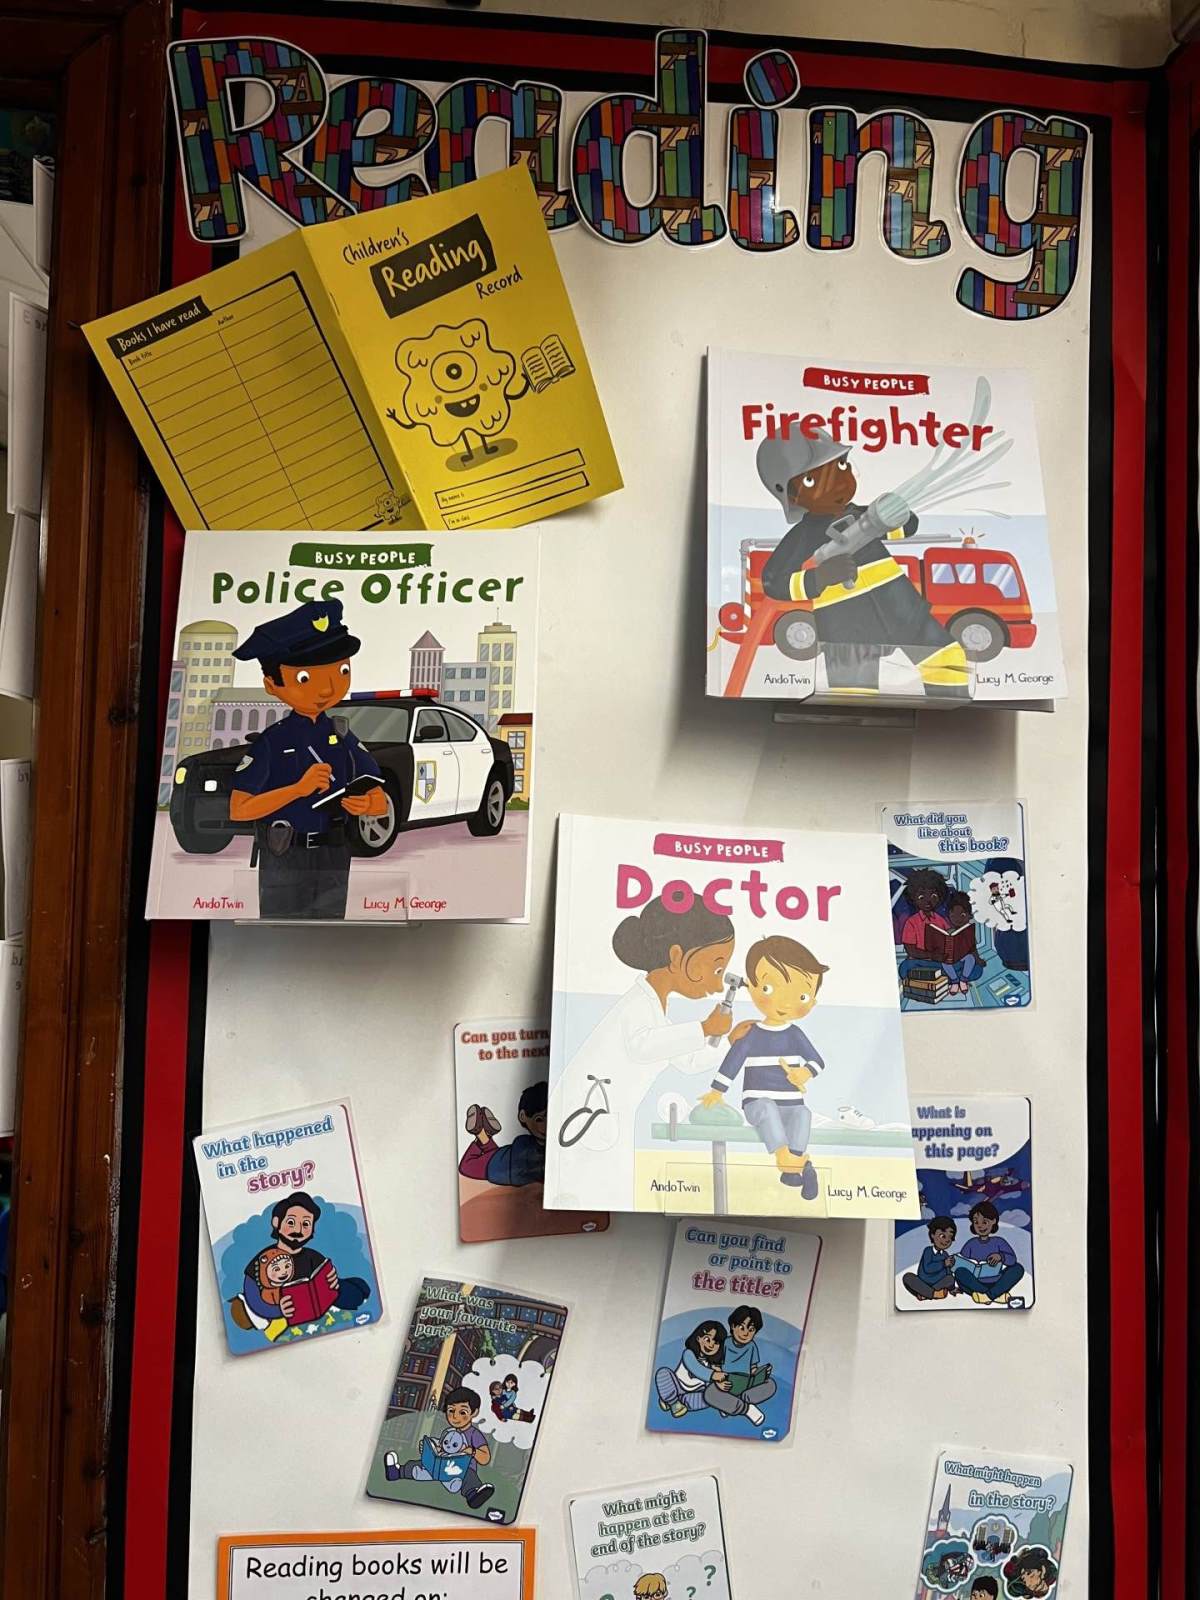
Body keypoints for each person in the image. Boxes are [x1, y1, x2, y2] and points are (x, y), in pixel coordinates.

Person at [550, 897, 736, 1210]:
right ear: (677, 957)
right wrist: (705, 1028)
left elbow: (688, 1061)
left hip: (605, 1123)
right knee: (587, 1194)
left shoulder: (655, 1009)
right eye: (717, 969)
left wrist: (733, 1042)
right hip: (587, 1123)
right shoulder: (637, 1006)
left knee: (608, 1194)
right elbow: (643, 1046)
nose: (719, 985)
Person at [756, 428, 969, 699]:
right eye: (812, 479)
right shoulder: (803, 536)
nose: (838, 483)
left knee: (948, 661)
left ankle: (952, 715)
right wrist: (819, 578)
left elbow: (906, 528)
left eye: (840, 466)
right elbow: (774, 581)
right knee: (853, 693)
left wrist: (899, 515)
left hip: (902, 608)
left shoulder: (863, 516)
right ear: (792, 496)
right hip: (848, 626)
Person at [227, 599, 388, 919]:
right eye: (305, 678)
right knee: (281, 931)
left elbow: (379, 796)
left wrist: (369, 804)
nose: (328, 687)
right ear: (272, 685)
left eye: (342, 670)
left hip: (334, 854)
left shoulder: (342, 734)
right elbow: (239, 809)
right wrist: (297, 790)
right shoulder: (272, 741)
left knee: (332, 931)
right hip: (286, 854)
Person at [698, 935, 828, 1196]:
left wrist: (805, 1072)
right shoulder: (752, 1034)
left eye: (802, 996)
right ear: (752, 987)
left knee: (804, 1115)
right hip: (757, 1103)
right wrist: (717, 1091)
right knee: (767, 1108)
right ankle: (787, 1159)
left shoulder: (795, 1034)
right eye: (769, 989)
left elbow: (817, 1061)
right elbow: (733, 1060)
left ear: (812, 1001)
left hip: (792, 1104)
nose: (785, 1003)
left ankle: (793, 1169)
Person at [228, 1191, 371, 1333]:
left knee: (357, 1289)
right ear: (277, 1222)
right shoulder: (263, 1260)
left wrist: (332, 1282)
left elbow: (327, 1282)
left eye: (306, 1224)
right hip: (286, 1316)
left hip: (321, 1307)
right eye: (291, 1222)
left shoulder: (313, 1257)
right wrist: (278, 1310)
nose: (298, 1229)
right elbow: (253, 1298)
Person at [384, 1385, 495, 1510]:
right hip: (439, 1467)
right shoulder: (448, 1431)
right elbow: (441, 1446)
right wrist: (429, 1449)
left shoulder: (474, 1434)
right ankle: (396, 1472)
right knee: (418, 1466)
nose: (455, 1416)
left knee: (468, 1476)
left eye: (462, 1412)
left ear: (474, 1413)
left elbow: (485, 1458)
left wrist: (472, 1451)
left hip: (460, 1470)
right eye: (451, 1411)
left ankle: (473, 1495)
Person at [654, 1319, 768, 1427]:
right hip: (676, 1384)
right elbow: (695, 1368)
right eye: (707, 1339)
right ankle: (672, 1402)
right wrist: (713, 1375)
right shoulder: (689, 1354)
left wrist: (719, 1385)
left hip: (694, 1393)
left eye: (716, 1343)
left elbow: (713, 1382)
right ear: (698, 1338)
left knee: (708, 1397)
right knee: (663, 1373)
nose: (711, 1345)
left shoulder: (713, 1365)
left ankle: (679, 1403)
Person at [459, 1083, 547, 1186]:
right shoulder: (524, 1143)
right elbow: (518, 1174)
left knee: (494, 1153)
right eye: (539, 1119)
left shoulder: (529, 1143)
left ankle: (484, 1132)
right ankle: (479, 1131)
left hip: (501, 1156)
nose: (546, 1125)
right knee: (466, 1166)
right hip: (493, 1166)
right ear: (523, 1116)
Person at [953, 1199, 1025, 1304]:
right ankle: (995, 1295)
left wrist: (1000, 1257)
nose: (980, 1226)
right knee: (960, 1272)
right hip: (976, 1283)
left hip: (997, 1282)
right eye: (976, 1222)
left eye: (984, 1222)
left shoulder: (999, 1241)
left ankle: (986, 1296)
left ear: (993, 1221)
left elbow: (1012, 1260)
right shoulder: (971, 1244)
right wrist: (953, 1262)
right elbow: (962, 1262)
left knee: (1017, 1268)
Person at [898, 868, 950, 980]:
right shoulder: (911, 922)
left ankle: (938, 975)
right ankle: (943, 976)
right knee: (905, 967)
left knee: (972, 967)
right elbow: (911, 950)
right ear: (913, 899)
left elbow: (950, 940)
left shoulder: (941, 921)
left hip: (940, 962)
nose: (928, 901)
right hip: (919, 962)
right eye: (921, 897)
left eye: (933, 896)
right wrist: (931, 955)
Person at [722, 1304, 777, 1406]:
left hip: (746, 1383)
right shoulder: (725, 1343)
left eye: (751, 1330)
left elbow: (753, 1368)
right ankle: (735, 1400)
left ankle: (745, 1398)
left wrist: (762, 1373)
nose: (745, 1333)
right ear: (733, 1326)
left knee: (771, 1383)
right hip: (727, 1381)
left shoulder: (752, 1346)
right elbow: (716, 1364)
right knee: (713, 1390)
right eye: (742, 1328)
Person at [902, 1216, 960, 1301]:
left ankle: (925, 1294)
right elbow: (928, 1268)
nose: (947, 1240)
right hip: (923, 1282)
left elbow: (948, 1273)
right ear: (932, 1235)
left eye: (950, 1237)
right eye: (943, 1236)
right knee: (908, 1277)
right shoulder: (928, 1251)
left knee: (950, 1278)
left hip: (937, 1284)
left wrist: (952, 1288)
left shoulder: (945, 1255)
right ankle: (933, 1294)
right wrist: (943, 1263)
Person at [940, 890, 983, 994]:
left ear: (969, 916)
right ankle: (955, 981)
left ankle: (963, 980)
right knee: (945, 963)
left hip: (964, 957)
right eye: (953, 915)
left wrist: (978, 959)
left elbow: (973, 948)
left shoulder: (969, 932)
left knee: (970, 959)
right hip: (951, 958)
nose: (957, 919)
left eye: (962, 915)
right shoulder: (949, 931)